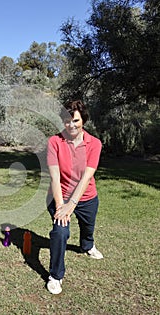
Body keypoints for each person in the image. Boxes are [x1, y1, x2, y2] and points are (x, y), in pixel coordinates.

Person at [46, 100, 103, 295]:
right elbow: (54, 176)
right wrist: (62, 206)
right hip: (59, 196)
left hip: (86, 197)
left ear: (83, 121)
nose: (71, 125)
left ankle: (88, 245)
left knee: (88, 227)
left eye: (75, 121)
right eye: (67, 121)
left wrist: (73, 203)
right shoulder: (54, 142)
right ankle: (55, 275)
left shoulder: (94, 143)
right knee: (60, 232)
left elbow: (87, 176)